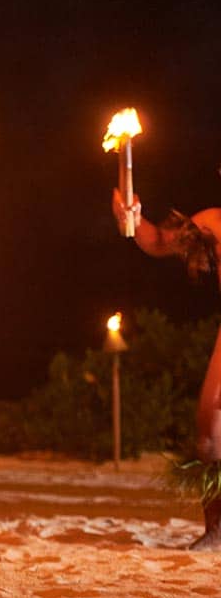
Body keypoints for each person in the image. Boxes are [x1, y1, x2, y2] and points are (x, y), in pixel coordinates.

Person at [113, 189, 221, 550]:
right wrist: (132, 216)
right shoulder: (214, 222)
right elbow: (160, 242)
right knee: (210, 433)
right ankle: (218, 529)